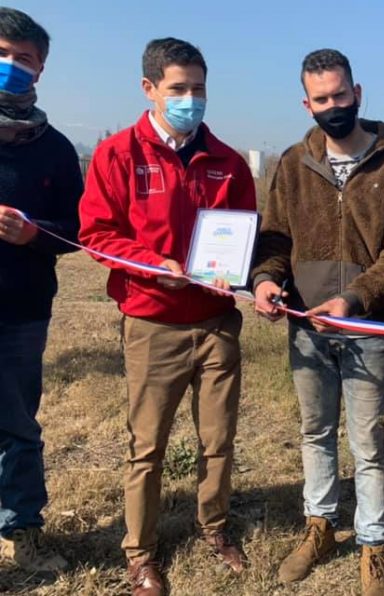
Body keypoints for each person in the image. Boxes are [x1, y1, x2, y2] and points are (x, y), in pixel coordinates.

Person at [78, 37, 256, 596]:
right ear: (149, 88)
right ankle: (140, 554)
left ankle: (216, 526)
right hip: (153, 322)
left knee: (218, 439)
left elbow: (244, 232)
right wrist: (154, 265)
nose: (190, 99)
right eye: (178, 89)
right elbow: (97, 234)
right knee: (148, 445)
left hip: (216, 320)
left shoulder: (227, 161)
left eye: (198, 89)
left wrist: (243, 272)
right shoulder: (118, 154)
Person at [251, 48, 384, 596]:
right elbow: (276, 238)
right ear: (307, 103)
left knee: (369, 442)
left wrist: (355, 299)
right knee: (314, 432)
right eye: (321, 99)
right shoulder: (292, 164)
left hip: (368, 328)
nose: (333, 106)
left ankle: (373, 545)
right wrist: (265, 279)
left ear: (358, 93)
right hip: (305, 326)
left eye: (340, 95)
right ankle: (321, 526)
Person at [0, 6, 82, 574]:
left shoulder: (54, 147)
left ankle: (20, 531)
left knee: (18, 428)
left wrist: (35, 234)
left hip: (22, 311)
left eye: (23, 59)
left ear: (41, 69)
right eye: (2, 54)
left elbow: (78, 233)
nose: (11, 66)